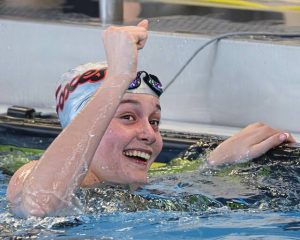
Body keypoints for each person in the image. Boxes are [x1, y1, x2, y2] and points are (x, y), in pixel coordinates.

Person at [7, 20, 295, 218]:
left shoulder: (131, 191)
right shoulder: (30, 175)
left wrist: (213, 164)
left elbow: (171, 184)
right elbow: (40, 206)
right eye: (128, 116)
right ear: (84, 125)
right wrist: (118, 77)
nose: (149, 134)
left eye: (155, 121)